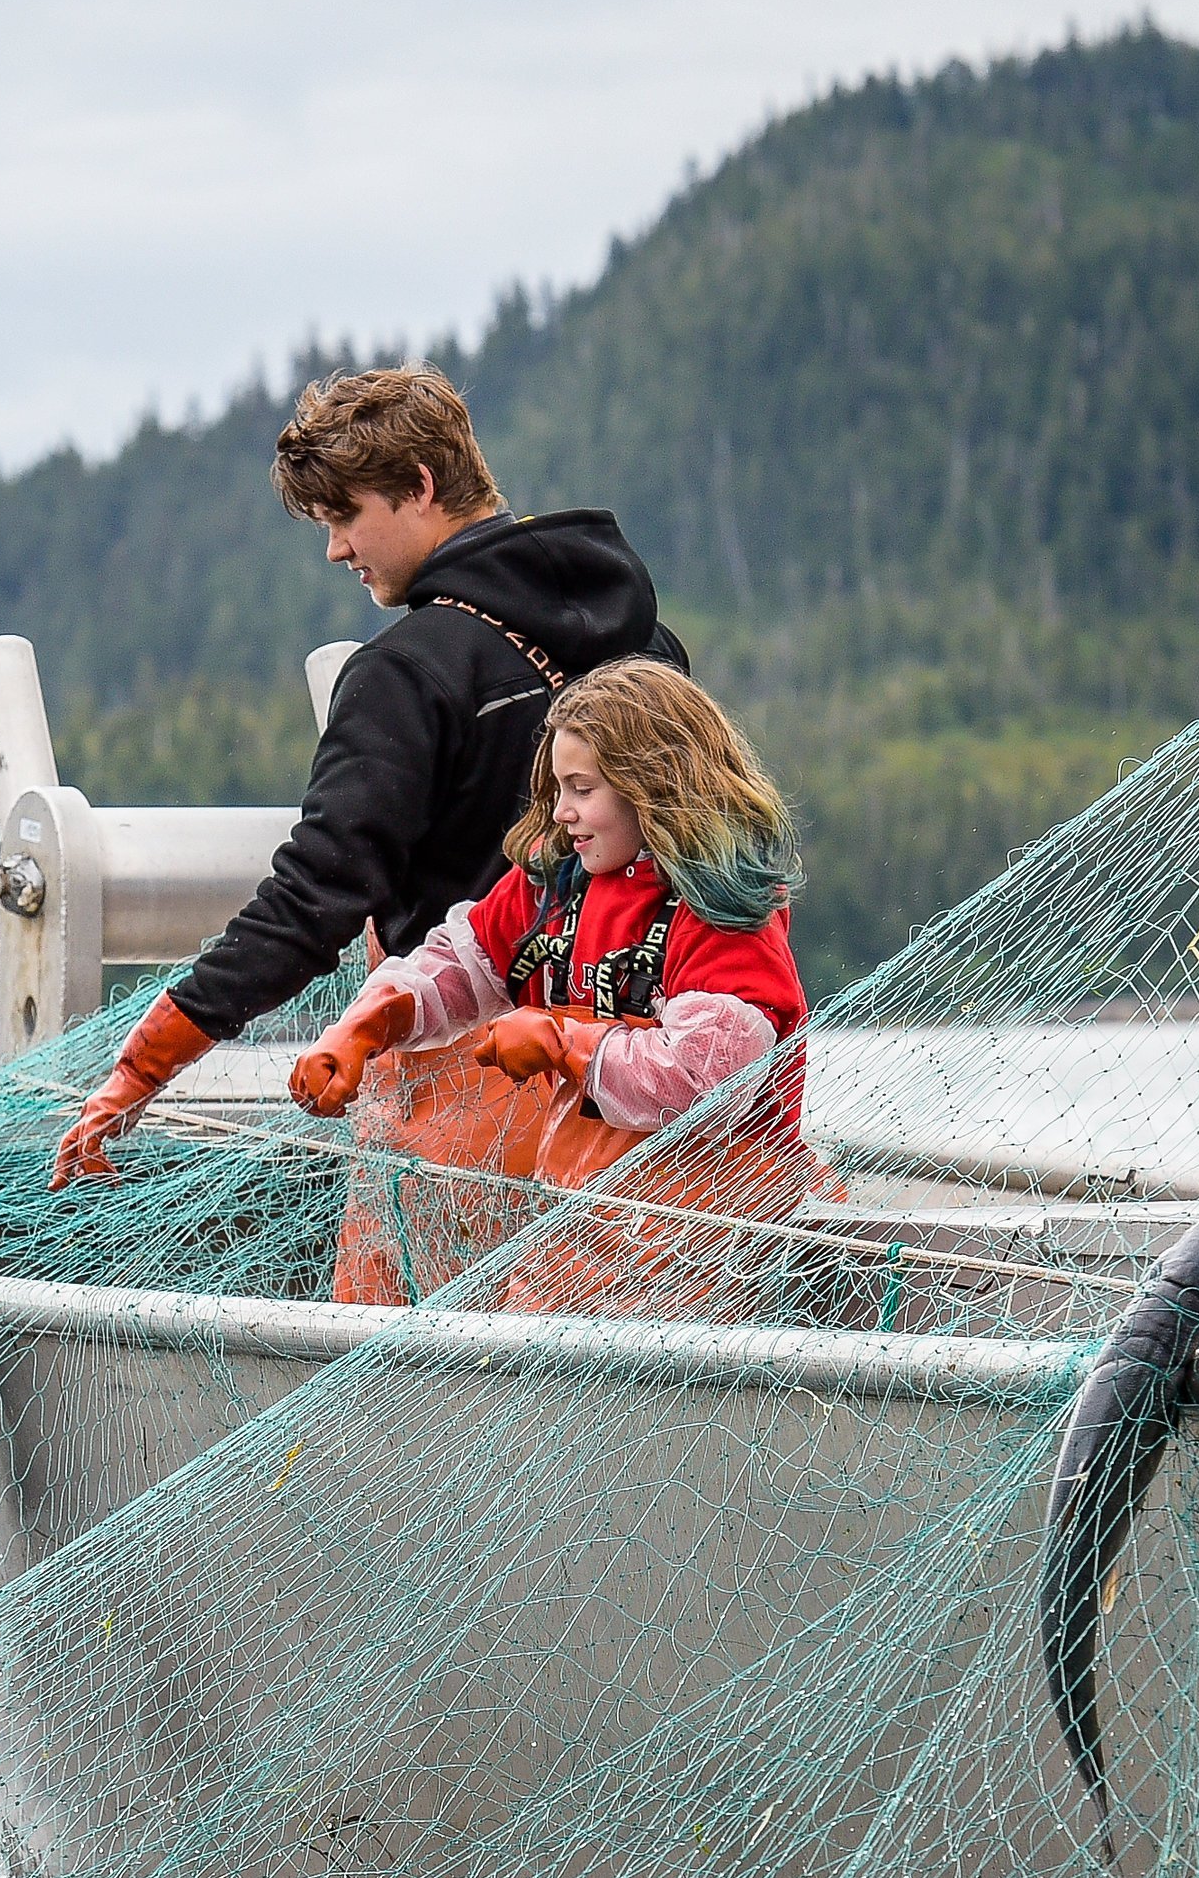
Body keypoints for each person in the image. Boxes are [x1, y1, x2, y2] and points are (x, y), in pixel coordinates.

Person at [49, 365, 684, 1190]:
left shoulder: (407, 673)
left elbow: (315, 900)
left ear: (420, 486)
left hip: (472, 1109)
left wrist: (139, 1072)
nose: (335, 547)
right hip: (650, 1098)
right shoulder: (652, 650)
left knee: (404, 1321)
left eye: (346, 515)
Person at [288, 659, 811, 1307]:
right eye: (558, 788)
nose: (561, 811)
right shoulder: (557, 889)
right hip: (579, 1241)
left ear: (654, 783)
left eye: (583, 788)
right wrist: (365, 1026)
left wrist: (565, 1046)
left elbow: (711, 1085)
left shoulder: (724, 912)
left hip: (707, 1253)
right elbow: (459, 967)